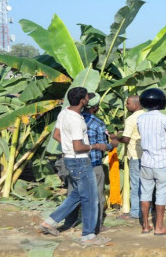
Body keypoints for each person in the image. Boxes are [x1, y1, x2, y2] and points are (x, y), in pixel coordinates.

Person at [39, 87, 110, 245]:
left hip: (69, 159)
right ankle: (88, 236)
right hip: (80, 159)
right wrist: (96, 146)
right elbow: (79, 146)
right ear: (82, 101)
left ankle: (49, 222)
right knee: (90, 198)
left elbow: (56, 135)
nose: (88, 99)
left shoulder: (64, 112)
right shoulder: (77, 120)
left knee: (77, 194)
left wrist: (67, 146)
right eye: (86, 97)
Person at [62, 93, 116, 233]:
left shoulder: (70, 117)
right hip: (93, 163)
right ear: (96, 107)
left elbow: (59, 136)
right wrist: (113, 144)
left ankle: (69, 223)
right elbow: (103, 145)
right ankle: (96, 226)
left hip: (73, 161)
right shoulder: (97, 123)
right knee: (97, 196)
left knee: (73, 193)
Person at [137, 88, 166, 235]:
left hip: (146, 162)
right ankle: (159, 227)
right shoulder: (164, 119)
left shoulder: (140, 118)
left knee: (145, 193)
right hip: (161, 162)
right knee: (161, 194)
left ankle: (145, 226)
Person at [116, 96, 145, 220]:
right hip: (147, 155)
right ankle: (146, 209)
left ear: (136, 105)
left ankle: (135, 212)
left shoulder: (131, 119)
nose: (126, 106)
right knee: (146, 184)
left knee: (136, 184)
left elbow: (126, 139)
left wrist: (117, 138)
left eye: (128, 103)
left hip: (135, 154)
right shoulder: (147, 116)